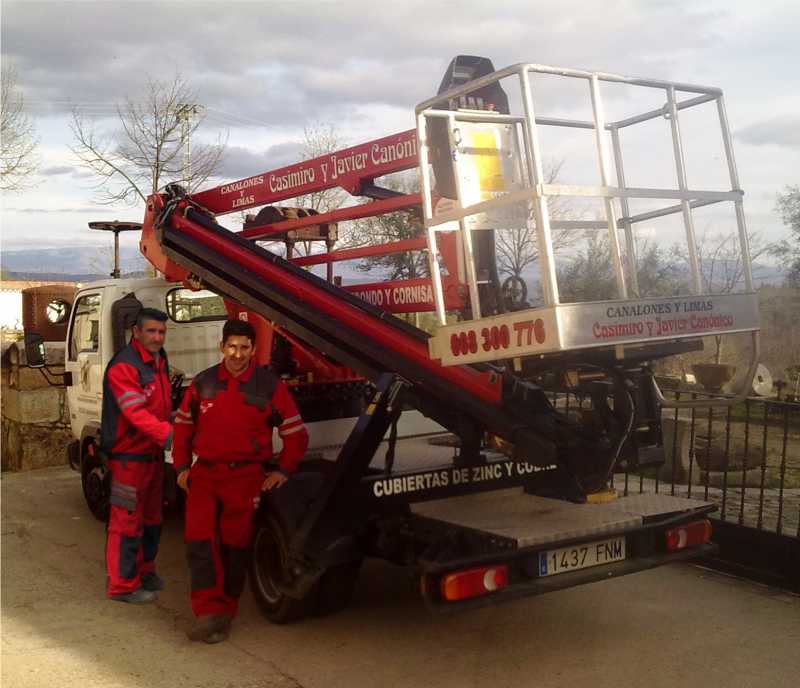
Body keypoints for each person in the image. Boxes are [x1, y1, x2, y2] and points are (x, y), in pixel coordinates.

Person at [173, 318, 308, 643]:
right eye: (231, 346)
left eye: (244, 347)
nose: (237, 353)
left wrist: (282, 471)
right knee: (199, 543)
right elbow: (182, 429)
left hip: (246, 478)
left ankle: (226, 610)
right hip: (204, 476)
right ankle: (207, 613)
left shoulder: (269, 386)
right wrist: (181, 468)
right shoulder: (203, 384)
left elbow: (296, 435)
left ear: (253, 349)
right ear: (222, 347)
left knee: (235, 546)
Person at [101, 307, 173, 604]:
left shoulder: (159, 359)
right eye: (152, 331)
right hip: (128, 459)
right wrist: (169, 435)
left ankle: (145, 572)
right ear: (136, 332)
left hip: (152, 456)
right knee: (126, 522)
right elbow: (135, 413)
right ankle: (122, 586)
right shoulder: (124, 367)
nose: (157, 337)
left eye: (162, 332)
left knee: (153, 519)